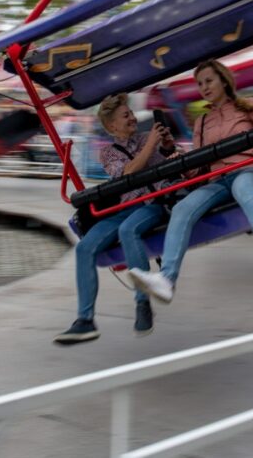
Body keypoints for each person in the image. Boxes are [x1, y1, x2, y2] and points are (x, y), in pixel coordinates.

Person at [129, 59, 253, 304]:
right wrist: (176, 156)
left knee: (244, 187)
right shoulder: (201, 122)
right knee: (182, 207)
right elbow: (198, 166)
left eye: (209, 80)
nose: (204, 87)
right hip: (218, 180)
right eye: (200, 83)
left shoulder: (247, 106)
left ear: (223, 80)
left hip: (249, 168)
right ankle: (167, 279)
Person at [53, 93, 176, 345]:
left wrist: (166, 145)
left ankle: (142, 304)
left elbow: (172, 159)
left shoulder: (146, 138)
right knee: (85, 248)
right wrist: (152, 144)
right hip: (125, 205)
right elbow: (128, 174)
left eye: (130, 113)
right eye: (125, 115)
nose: (131, 118)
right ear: (112, 126)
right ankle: (84, 319)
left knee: (129, 230)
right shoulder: (108, 153)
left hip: (152, 202)